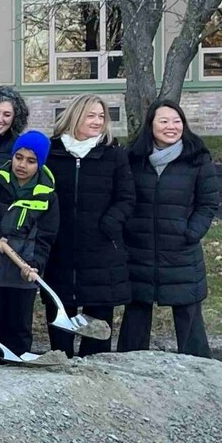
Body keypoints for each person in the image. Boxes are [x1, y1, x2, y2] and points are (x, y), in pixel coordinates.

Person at [120, 101, 220, 358]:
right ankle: (130, 369)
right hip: (139, 248)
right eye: (163, 121)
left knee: (188, 314)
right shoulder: (133, 157)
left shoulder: (197, 157)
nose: (171, 127)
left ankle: (201, 372)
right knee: (137, 312)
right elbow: (123, 197)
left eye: (176, 121)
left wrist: (191, 232)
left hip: (181, 250)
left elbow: (207, 203)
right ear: (151, 125)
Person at [42, 96, 131, 357]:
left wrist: (109, 224)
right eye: (91, 115)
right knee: (60, 323)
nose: (97, 121)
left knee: (98, 332)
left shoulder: (113, 154)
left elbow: (127, 198)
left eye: (101, 116)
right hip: (59, 250)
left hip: (101, 251)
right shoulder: (51, 153)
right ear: (75, 116)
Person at [0, 130, 60, 365]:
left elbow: (46, 237)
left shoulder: (47, 195)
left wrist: (35, 265)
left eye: (31, 161)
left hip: (22, 273)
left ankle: (18, 372)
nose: (22, 165)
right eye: (19, 157)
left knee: (19, 328)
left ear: (40, 163)